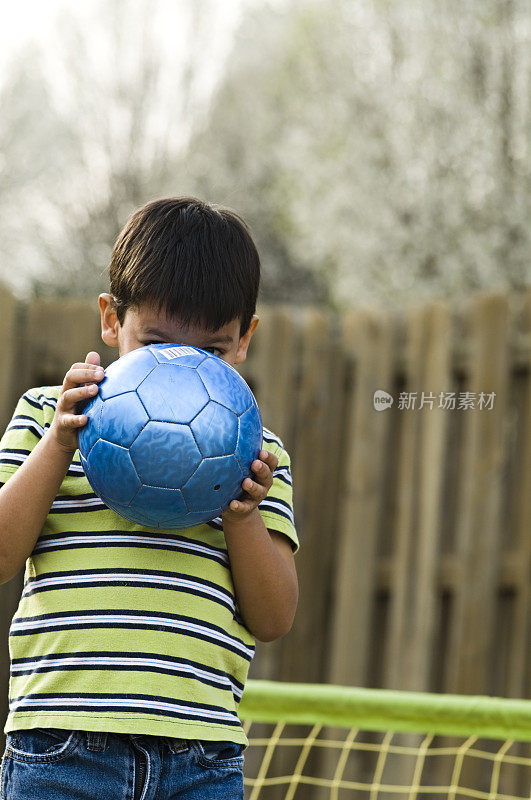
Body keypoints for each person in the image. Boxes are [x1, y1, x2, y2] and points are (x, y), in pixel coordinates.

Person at [0, 197, 299, 799]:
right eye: (156, 342)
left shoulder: (256, 454)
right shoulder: (48, 418)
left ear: (245, 339)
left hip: (201, 758)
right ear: (111, 320)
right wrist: (61, 445)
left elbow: (273, 618)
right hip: (62, 749)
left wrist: (242, 517)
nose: (178, 375)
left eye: (210, 352)